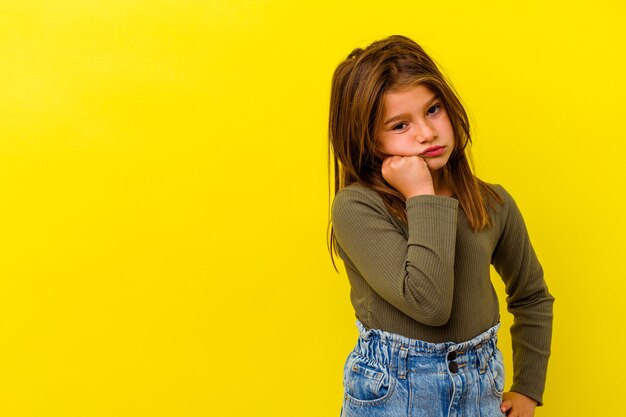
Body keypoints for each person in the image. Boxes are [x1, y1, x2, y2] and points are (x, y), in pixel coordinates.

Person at [328, 35, 554, 417]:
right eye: (400, 125)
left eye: (433, 110)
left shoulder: (492, 204)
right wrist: (421, 194)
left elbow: (532, 296)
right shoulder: (356, 207)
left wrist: (528, 389)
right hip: (394, 394)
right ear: (368, 141)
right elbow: (429, 303)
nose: (426, 133)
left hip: (480, 390)